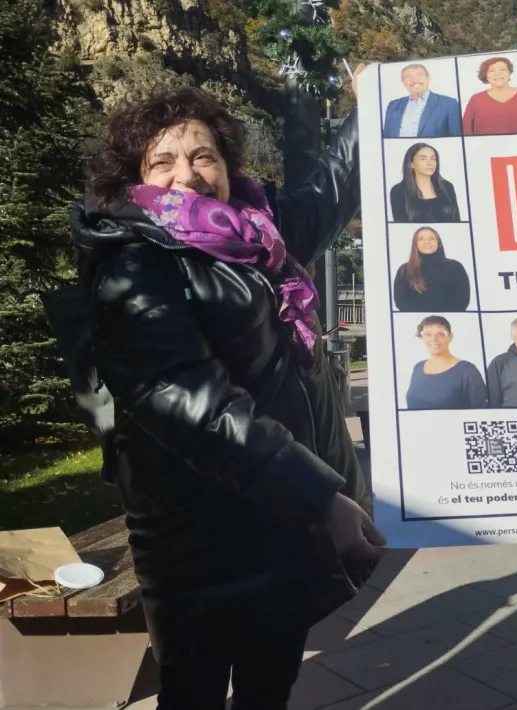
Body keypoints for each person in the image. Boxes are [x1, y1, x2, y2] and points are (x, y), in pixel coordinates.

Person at [69, 78, 386, 709]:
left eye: (203, 156)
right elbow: (188, 400)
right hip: (195, 537)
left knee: (271, 686)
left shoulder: (255, 233)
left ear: (226, 165)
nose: (186, 174)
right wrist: (320, 494)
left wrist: (372, 101)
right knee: (195, 694)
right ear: (135, 176)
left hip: (276, 518)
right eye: (163, 161)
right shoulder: (133, 263)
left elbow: (330, 190)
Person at [406, 315, 487, 410]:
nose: (433, 339)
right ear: (422, 337)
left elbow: (481, 412)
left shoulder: (467, 370)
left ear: (450, 337)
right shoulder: (418, 368)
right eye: (428, 334)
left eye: (440, 334)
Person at [392, 226, 470, 312]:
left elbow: (462, 300)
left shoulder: (455, 267)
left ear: (438, 243)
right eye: (421, 239)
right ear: (415, 244)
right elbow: (401, 302)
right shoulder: (405, 269)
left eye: (431, 238)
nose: (427, 242)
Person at [461, 56, 517, 136]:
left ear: (509, 73)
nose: (498, 74)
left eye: (503, 70)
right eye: (492, 71)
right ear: (486, 76)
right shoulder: (476, 100)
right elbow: (466, 132)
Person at [382, 63, 462, 138]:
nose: (415, 80)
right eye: (409, 77)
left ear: (428, 77)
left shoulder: (448, 104)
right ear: (403, 82)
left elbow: (457, 139)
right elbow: (386, 138)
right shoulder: (393, 106)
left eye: (419, 75)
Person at [389, 142, 461, 223]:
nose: (430, 163)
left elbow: (457, 221)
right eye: (423, 159)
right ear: (411, 164)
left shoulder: (447, 187)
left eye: (433, 158)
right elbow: (400, 226)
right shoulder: (398, 191)